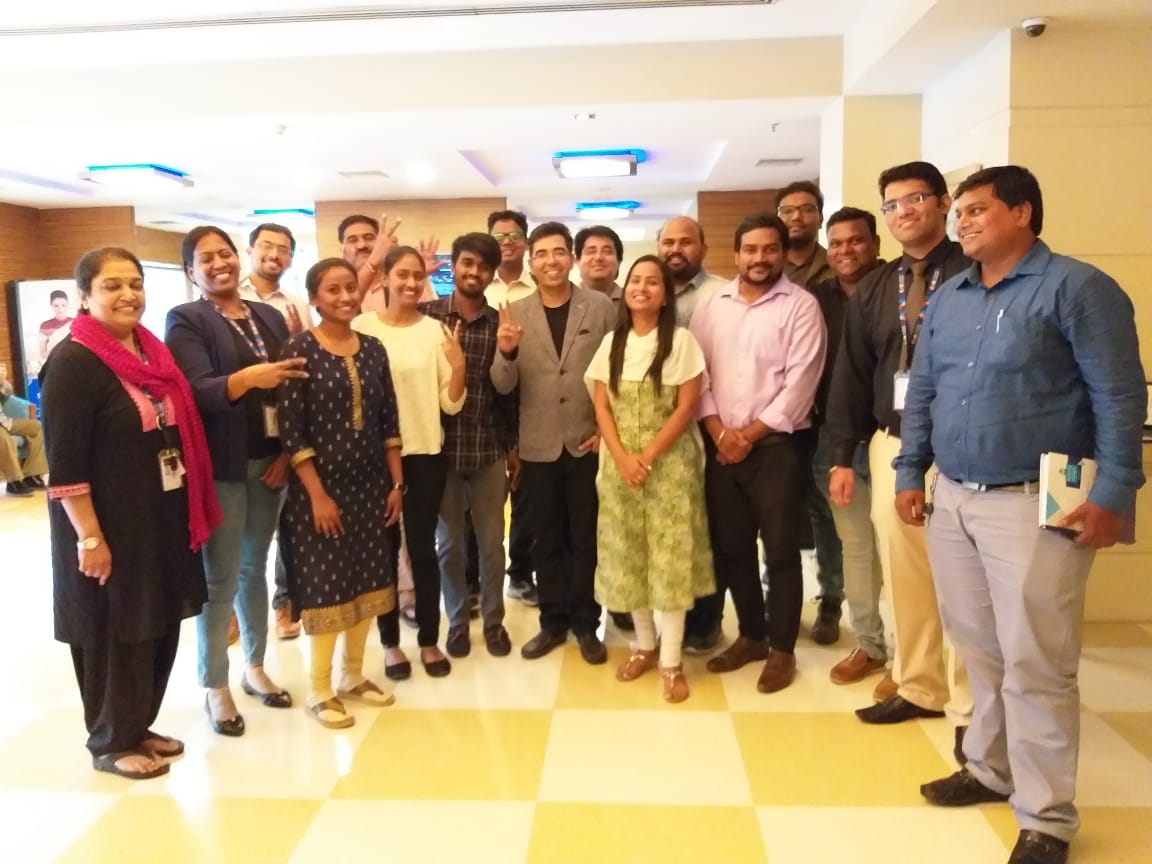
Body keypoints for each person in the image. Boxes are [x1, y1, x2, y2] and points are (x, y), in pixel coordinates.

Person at [895, 166, 1147, 864]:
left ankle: (1046, 818)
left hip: (1036, 503)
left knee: (1037, 661)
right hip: (954, 498)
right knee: (979, 647)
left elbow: (1120, 397)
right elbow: (924, 391)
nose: (963, 222)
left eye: (977, 210)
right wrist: (911, 469)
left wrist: (1115, 492)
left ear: (1023, 212)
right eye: (961, 213)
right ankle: (989, 768)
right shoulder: (951, 297)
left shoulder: (1077, 288)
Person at [41, 247, 218, 780]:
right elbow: (65, 463)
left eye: (135, 284)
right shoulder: (73, 361)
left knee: (155, 623)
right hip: (108, 525)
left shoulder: (150, 352)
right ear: (84, 296)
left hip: (159, 517)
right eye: (112, 285)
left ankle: (137, 724)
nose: (128, 295)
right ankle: (110, 740)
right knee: (115, 630)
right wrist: (90, 538)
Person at [825, 161, 972, 753]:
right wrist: (842, 454)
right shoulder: (878, 287)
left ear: (943, 203)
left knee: (962, 579)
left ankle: (969, 703)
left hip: (960, 445)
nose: (902, 211)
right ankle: (918, 685)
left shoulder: (973, 269)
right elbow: (852, 374)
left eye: (914, 199)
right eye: (891, 204)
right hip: (894, 442)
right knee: (904, 572)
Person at [166, 226, 306, 736]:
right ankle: (215, 685)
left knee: (255, 569)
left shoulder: (268, 315)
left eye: (225, 253)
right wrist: (249, 378)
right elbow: (196, 391)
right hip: (222, 466)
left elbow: (294, 386)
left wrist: (288, 451)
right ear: (191, 271)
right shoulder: (187, 319)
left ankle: (255, 666)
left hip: (270, 463)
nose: (219, 263)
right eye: (206, 258)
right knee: (220, 577)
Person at [691, 212, 825, 694]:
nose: (760, 258)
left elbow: (800, 386)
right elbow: (697, 373)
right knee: (732, 549)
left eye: (770, 249)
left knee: (782, 550)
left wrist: (744, 435)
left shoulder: (802, 307)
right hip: (720, 446)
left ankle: (782, 648)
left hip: (775, 449)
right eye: (750, 249)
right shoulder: (712, 304)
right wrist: (717, 430)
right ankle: (751, 635)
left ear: (783, 252)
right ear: (736, 254)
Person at [279, 258, 406, 728]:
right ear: (314, 298)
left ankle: (353, 676)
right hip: (320, 491)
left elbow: (389, 421)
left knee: (369, 581)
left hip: (371, 487)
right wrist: (317, 495)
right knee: (327, 586)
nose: (345, 296)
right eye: (332, 290)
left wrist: (396, 485)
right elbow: (292, 432)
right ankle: (319, 689)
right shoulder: (298, 349)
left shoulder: (373, 349)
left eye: (351, 287)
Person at [585, 255, 714, 703]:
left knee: (670, 562)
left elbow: (686, 407)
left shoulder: (681, 341)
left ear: (665, 294)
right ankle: (644, 645)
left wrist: (647, 457)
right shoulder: (611, 343)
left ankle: (672, 661)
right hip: (619, 469)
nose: (642, 288)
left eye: (652, 282)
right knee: (629, 557)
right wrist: (623, 459)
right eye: (635, 281)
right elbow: (601, 406)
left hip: (671, 469)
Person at [491, 221, 616, 664]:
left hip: (587, 441)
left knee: (585, 538)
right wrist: (506, 351)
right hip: (537, 444)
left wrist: (607, 429)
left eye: (559, 252)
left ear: (572, 258)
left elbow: (617, 372)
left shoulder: (600, 307)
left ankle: (586, 623)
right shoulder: (513, 311)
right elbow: (502, 385)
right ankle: (552, 622)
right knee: (545, 540)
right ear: (531, 262)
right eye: (542, 254)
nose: (551, 261)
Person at [353, 245, 466, 678]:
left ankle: (429, 640)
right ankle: (389, 644)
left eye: (418, 275)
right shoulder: (362, 327)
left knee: (422, 549)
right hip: (373, 457)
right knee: (382, 553)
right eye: (402, 274)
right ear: (384, 278)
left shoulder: (436, 330)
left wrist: (458, 368)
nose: (411, 282)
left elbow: (450, 404)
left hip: (424, 452)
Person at [421, 233, 519, 658]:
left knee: (493, 544)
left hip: (487, 449)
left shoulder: (501, 324)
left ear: (492, 273)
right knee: (450, 545)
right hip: (439, 451)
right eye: (467, 262)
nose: (473, 271)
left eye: (482, 266)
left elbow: (508, 394)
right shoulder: (427, 318)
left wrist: (512, 447)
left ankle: (494, 622)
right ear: (454, 266)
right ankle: (458, 622)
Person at [807, 208, 888, 683]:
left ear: (875, 243)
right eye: (835, 243)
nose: (845, 251)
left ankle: (918, 650)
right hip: (836, 440)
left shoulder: (899, 289)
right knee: (856, 546)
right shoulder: (816, 300)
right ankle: (870, 643)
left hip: (895, 437)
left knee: (903, 551)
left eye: (855, 241)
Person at [656, 215, 732, 654]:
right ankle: (663, 615)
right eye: (668, 242)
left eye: (685, 241)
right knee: (666, 528)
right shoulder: (645, 292)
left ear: (703, 247)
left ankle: (705, 619)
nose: (675, 249)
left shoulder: (720, 294)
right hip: (654, 432)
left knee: (708, 527)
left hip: (708, 424)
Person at [240, 221, 311, 640]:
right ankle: (233, 606)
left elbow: (303, 371)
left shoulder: (295, 306)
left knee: (289, 526)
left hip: (282, 427)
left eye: (284, 249)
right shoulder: (222, 300)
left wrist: (290, 446)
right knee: (236, 531)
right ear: (249, 250)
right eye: (267, 245)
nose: (274, 254)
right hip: (235, 430)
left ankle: (285, 602)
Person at [485, 209, 539, 607]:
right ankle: (475, 578)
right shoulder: (477, 286)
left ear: (525, 241)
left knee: (525, 495)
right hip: (480, 403)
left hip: (528, 399)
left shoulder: (540, 288)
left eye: (514, 235)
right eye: (499, 237)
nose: (507, 243)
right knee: (481, 500)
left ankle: (520, 573)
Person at [0, 374, 47, 496]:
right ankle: (14, 481)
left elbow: (8, 394)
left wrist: (2, 382)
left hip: (5, 422)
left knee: (36, 427)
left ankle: (31, 475)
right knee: (3, 436)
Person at [575, 225, 624, 301]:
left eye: (607, 251)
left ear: (619, 261)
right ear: (577, 260)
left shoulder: (631, 301)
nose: (598, 257)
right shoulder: (563, 301)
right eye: (591, 251)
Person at [39, 289, 74, 360]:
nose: (60, 309)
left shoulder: (76, 323)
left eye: (63, 305)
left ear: (68, 305)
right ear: (51, 306)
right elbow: (43, 354)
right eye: (56, 305)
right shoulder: (45, 326)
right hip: (54, 362)